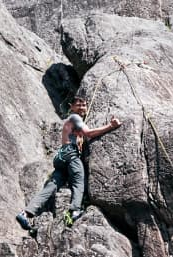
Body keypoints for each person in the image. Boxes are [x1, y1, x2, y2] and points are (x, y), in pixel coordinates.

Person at [16, 96, 121, 230]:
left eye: (84, 105)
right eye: (79, 105)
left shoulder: (72, 122)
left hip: (61, 157)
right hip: (70, 153)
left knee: (51, 186)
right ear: (71, 107)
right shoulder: (74, 118)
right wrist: (111, 126)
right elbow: (89, 133)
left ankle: (26, 213)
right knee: (79, 177)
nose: (82, 107)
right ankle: (75, 210)